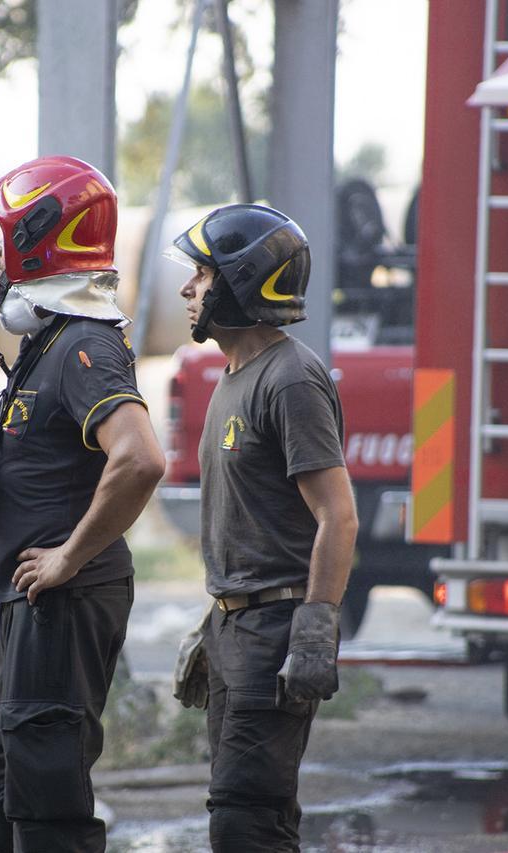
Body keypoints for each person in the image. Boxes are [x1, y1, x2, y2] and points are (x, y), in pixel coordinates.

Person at [0, 155, 166, 853]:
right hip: (31, 602)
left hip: (60, 599)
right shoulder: (47, 344)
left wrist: (68, 555)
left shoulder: (83, 345)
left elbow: (141, 458)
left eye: (4, 237)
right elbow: (21, 465)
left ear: (41, 238)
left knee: (47, 807)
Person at [166, 204, 359, 852]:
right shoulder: (233, 377)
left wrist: (315, 626)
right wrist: (217, 619)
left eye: (201, 274)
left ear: (240, 282)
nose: (188, 289)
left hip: (273, 638)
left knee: (247, 822)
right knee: (249, 817)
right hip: (235, 633)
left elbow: (339, 513)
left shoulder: (291, 378)